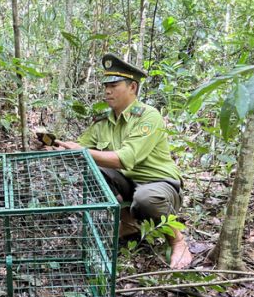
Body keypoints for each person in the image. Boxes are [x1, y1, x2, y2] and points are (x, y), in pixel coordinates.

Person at [44, 53, 192, 269]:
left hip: (159, 185)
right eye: (106, 86)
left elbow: (125, 159)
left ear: (132, 87)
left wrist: (82, 150)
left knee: (145, 199)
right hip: (127, 183)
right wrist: (55, 146)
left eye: (114, 85)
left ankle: (177, 240)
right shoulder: (103, 121)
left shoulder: (148, 116)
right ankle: (128, 222)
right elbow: (78, 150)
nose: (107, 91)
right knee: (92, 167)